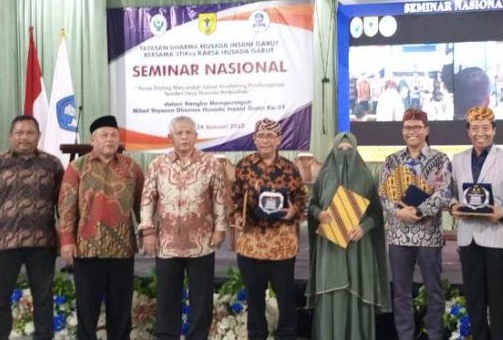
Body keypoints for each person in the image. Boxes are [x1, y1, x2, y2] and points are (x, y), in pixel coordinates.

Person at [0, 115, 64, 340]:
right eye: (20, 133)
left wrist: (65, 236)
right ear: (11, 135)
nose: (24, 138)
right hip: (4, 243)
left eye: (30, 133)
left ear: (39, 136)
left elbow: (63, 205)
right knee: (0, 300)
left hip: (43, 243)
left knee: (43, 298)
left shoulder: (52, 164)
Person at [58, 115, 145, 340]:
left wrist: (147, 231)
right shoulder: (77, 167)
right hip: (87, 249)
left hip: (122, 249)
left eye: (113, 135)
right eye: (104, 135)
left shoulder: (131, 167)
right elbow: (66, 207)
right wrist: (67, 240)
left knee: (121, 309)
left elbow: (142, 203)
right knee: (88, 310)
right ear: (93, 139)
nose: (109, 139)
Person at [140, 116, 227, 340]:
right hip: (167, 243)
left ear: (196, 136)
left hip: (202, 242)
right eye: (179, 133)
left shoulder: (211, 163)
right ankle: (167, 336)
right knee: (168, 295)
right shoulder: (158, 164)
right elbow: (147, 198)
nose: (185, 137)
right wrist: (148, 231)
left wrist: (220, 228)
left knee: (202, 297)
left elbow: (219, 198)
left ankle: (198, 336)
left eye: (189, 133)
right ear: (171, 137)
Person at [306, 132, 391, 340]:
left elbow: (377, 213)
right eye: (340, 149)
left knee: (356, 292)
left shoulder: (366, 177)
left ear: (356, 150)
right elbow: (312, 205)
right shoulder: (324, 176)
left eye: (349, 149)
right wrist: (320, 214)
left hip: (358, 248)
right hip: (329, 247)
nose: (344, 153)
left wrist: (364, 227)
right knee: (330, 293)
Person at [449, 107, 503, 340]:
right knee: (474, 297)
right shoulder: (458, 159)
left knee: (499, 299)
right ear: (468, 132)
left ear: (494, 130)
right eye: (474, 128)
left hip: (496, 236)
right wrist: (453, 207)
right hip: (468, 237)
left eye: (485, 128)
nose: (479, 133)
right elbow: (452, 193)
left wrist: (502, 212)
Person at [379, 109, 452, 340]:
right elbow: (383, 196)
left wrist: (419, 210)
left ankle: (434, 335)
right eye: (408, 127)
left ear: (426, 130)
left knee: (434, 291)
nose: (412, 132)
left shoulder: (439, 159)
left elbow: (445, 193)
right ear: (403, 131)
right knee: (401, 293)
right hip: (398, 236)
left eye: (417, 127)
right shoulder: (392, 160)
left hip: (428, 235)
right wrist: (399, 212)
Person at [231, 118, 307, 340]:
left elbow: (301, 198)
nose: (265, 140)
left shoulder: (289, 169)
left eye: (270, 136)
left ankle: (286, 335)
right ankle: (256, 336)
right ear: (254, 139)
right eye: (261, 136)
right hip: (251, 243)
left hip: (281, 244)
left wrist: (294, 211)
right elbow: (235, 199)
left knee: (285, 297)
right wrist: (237, 216)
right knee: (254, 298)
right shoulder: (244, 166)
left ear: (279, 140)